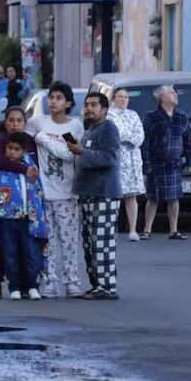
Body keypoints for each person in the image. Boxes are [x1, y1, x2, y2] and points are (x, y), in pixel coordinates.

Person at [25, 83, 85, 298]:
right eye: (51, 97)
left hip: (67, 193)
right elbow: (17, 136)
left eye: (59, 98)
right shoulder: (37, 122)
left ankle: (72, 282)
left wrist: (43, 139)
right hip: (44, 193)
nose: (53, 101)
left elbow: (69, 154)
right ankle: (49, 280)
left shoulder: (75, 126)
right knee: (46, 241)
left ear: (68, 103)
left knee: (69, 241)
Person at [0, 131, 50, 301]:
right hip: (6, 219)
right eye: (9, 148)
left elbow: (37, 190)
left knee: (31, 254)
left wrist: (40, 213)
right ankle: (14, 287)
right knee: (9, 255)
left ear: (23, 151)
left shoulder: (30, 166)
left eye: (16, 149)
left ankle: (32, 286)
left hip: (28, 219)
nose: (12, 152)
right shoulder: (0, 169)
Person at [68, 92, 122, 300]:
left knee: (102, 242)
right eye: (87, 105)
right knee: (90, 243)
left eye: (94, 105)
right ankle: (97, 285)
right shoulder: (90, 129)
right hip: (88, 194)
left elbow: (109, 158)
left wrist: (82, 151)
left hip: (104, 193)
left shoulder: (108, 128)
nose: (89, 108)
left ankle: (107, 287)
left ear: (105, 110)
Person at [0, 106, 39, 297]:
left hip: (26, 205)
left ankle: (26, 284)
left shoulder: (30, 141)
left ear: (25, 123)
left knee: (27, 246)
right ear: (5, 123)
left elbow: (36, 168)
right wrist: (23, 169)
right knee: (0, 245)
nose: (15, 124)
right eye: (11, 120)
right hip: (3, 205)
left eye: (19, 121)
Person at [141, 84, 191, 240]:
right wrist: (146, 165)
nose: (176, 94)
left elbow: (189, 140)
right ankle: (147, 230)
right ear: (162, 98)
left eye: (175, 92)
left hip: (174, 164)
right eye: (172, 93)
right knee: (153, 197)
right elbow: (144, 143)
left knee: (174, 197)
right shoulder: (151, 118)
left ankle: (174, 230)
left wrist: (190, 161)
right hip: (156, 164)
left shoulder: (182, 118)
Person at [108, 88, 147, 241]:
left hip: (133, 160)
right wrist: (129, 137)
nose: (123, 99)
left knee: (132, 196)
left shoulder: (133, 114)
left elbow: (140, 136)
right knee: (116, 196)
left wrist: (130, 139)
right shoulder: (110, 115)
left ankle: (133, 229)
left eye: (125, 97)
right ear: (114, 99)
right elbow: (118, 133)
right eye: (120, 97)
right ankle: (112, 229)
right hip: (118, 159)